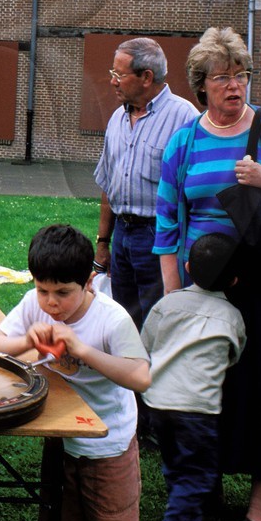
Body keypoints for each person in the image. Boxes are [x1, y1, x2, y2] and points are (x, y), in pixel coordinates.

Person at [153, 26, 261, 521]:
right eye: (222, 77)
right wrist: (176, 298)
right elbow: (167, 225)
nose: (234, 86)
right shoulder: (185, 140)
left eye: (240, 75)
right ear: (201, 86)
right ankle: (208, 484)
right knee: (204, 390)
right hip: (204, 291)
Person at [0, 225, 151, 521]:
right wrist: (27, 341)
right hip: (64, 438)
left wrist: (83, 350)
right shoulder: (37, 304)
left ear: (89, 281)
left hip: (109, 446)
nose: (51, 302)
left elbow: (140, 377)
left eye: (63, 292)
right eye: (43, 289)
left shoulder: (111, 319)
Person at [140, 232, 246, 521]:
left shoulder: (167, 304)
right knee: (197, 473)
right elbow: (233, 355)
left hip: (158, 403)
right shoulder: (232, 317)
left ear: (187, 267)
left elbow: (146, 343)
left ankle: (190, 512)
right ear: (235, 280)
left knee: (176, 461)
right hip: (197, 409)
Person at [94, 37, 199, 331]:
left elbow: (194, 193)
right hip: (123, 237)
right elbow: (108, 184)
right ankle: (128, 374)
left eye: (119, 74)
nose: (112, 81)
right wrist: (104, 244)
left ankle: (155, 375)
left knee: (160, 322)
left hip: (160, 237)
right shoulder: (117, 118)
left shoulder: (184, 118)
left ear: (146, 77)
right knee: (123, 320)